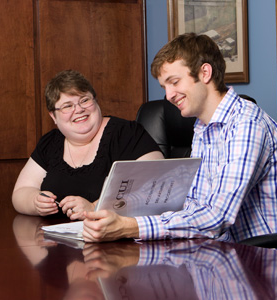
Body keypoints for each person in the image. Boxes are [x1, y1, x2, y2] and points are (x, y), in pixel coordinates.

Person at [81, 33, 277, 242]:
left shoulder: (247, 124)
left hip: (263, 263)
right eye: (164, 87)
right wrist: (119, 211)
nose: (168, 95)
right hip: (218, 253)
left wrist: (130, 227)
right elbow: (194, 203)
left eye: (174, 82)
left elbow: (217, 217)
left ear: (204, 73)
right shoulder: (203, 127)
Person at [12, 70, 164, 219]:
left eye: (84, 100)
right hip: (55, 238)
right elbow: (21, 192)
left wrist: (94, 207)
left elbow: (157, 184)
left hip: (114, 239)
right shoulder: (50, 142)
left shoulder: (126, 133)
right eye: (67, 106)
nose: (78, 110)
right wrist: (35, 201)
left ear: (95, 101)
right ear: (53, 116)